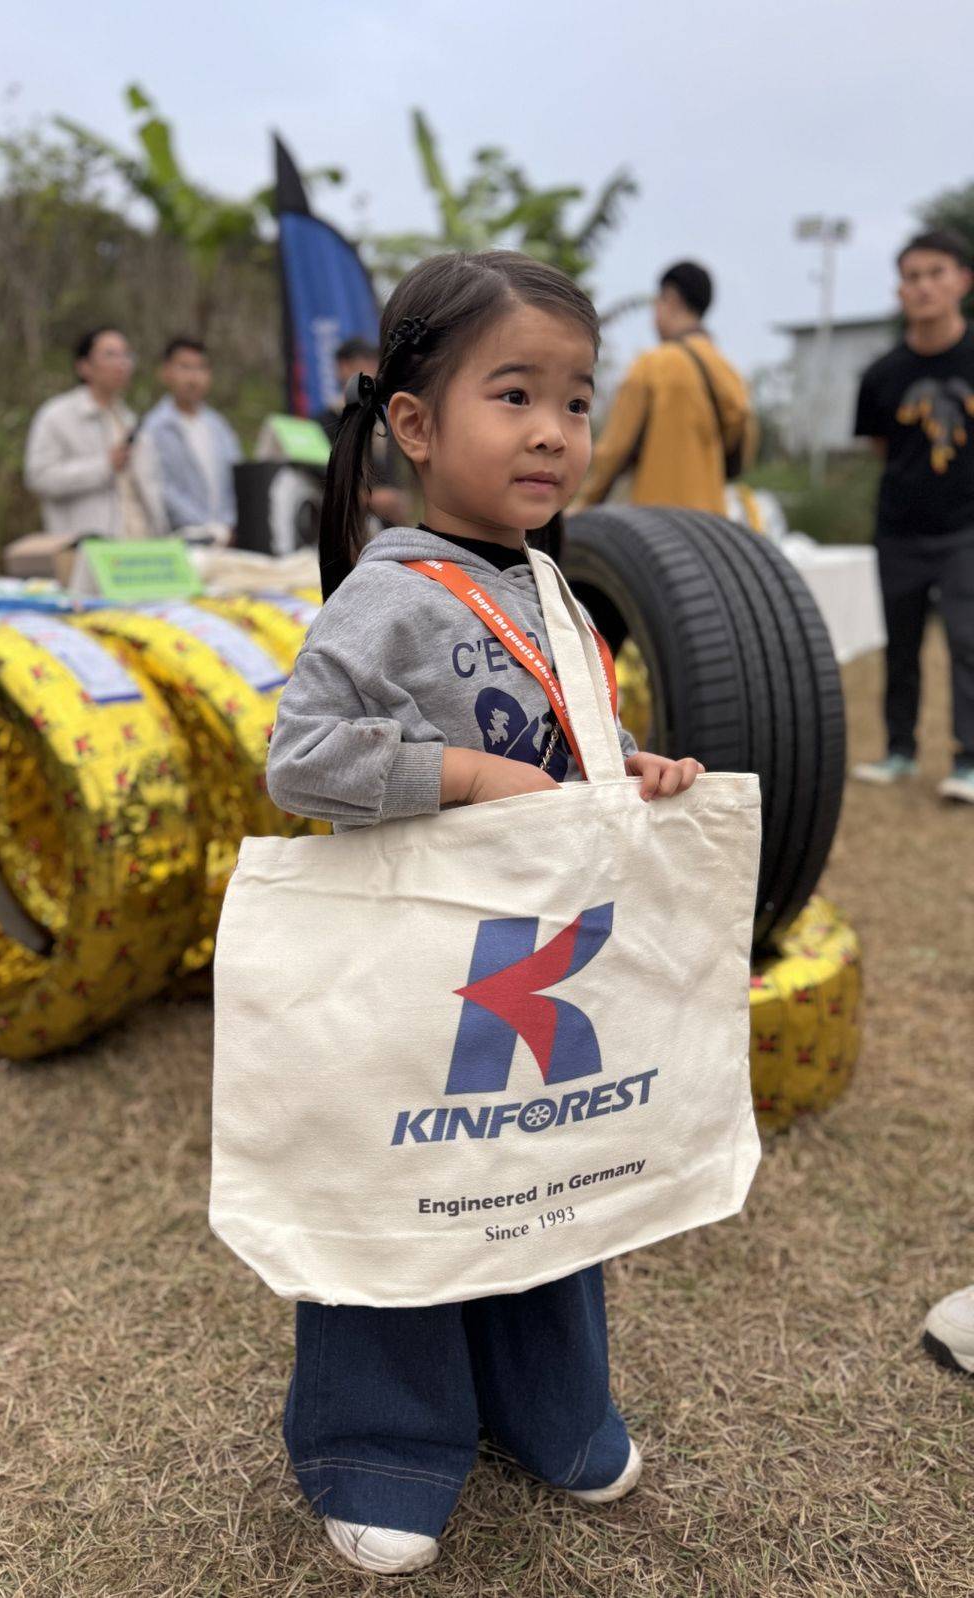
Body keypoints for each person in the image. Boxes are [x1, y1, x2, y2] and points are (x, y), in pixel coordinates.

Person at [264, 251, 705, 1576]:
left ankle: (552, 1407)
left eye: (576, 401)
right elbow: (298, 754)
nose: (555, 433)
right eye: (515, 394)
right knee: (404, 1194)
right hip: (412, 982)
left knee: (545, 1178)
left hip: (539, 972)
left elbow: (568, 742)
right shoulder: (391, 594)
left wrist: (628, 770)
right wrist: (461, 775)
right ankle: (381, 1443)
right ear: (411, 423)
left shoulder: (553, 586)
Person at [852, 229, 974, 803]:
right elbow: (882, 448)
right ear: (901, 289)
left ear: (962, 282)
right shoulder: (880, 375)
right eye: (912, 276)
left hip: (966, 530)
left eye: (936, 273)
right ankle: (899, 750)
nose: (924, 286)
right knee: (900, 645)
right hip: (899, 528)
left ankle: (968, 760)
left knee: (967, 640)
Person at [572, 260, 753, 515]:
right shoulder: (729, 373)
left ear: (670, 299)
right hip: (712, 528)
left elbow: (614, 451)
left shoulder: (652, 366)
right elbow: (739, 459)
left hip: (658, 531)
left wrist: (581, 505)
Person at [24, 327, 164, 540]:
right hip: (89, 550)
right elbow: (39, 477)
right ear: (84, 367)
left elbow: (150, 491)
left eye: (126, 355)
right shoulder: (57, 416)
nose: (122, 364)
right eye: (110, 355)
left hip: (142, 546)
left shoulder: (129, 419)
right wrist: (103, 466)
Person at [141, 336, 242, 544]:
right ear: (165, 372)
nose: (193, 377)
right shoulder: (153, 428)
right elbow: (160, 488)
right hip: (179, 541)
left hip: (226, 538)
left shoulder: (219, 426)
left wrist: (228, 525)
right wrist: (206, 528)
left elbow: (236, 478)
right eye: (184, 367)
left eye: (200, 368)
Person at [315, 337, 412, 527]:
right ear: (342, 367)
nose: (371, 369)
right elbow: (320, 484)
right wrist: (368, 498)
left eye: (373, 361)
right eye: (363, 362)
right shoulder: (321, 424)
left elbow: (393, 477)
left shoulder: (385, 423)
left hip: (386, 535)